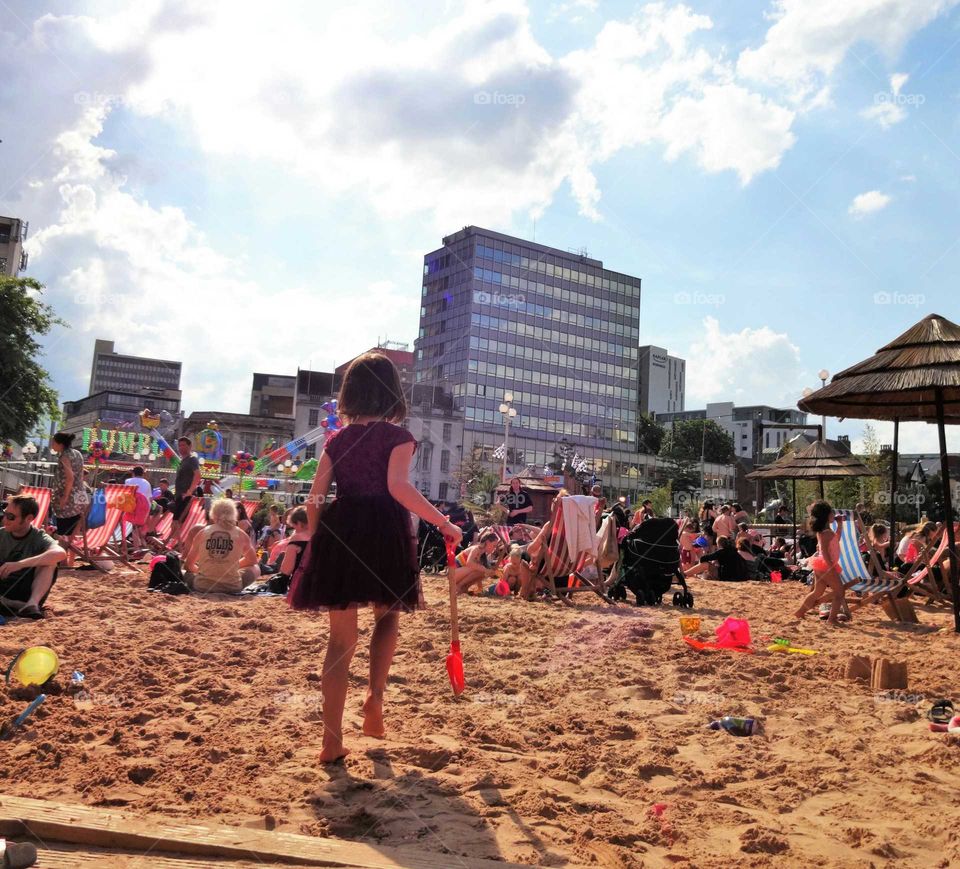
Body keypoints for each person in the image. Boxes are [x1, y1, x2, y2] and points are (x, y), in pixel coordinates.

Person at [287, 351, 461, 763]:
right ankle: (374, 700)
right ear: (392, 393)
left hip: (340, 531)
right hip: (384, 530)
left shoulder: (336, 440)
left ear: (350, 393)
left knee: (339, 641)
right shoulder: (397, 437)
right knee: (388, 616)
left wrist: (315, 532)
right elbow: (398, 487)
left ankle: (331, 741)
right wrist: (443, 522)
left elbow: (316, 495)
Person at [0, 494, 67, 619]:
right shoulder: (2, 534)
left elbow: (60, 553)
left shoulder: (38, 537)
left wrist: (19, 564)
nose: (5, 519)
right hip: (3, 587)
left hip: (25, 590)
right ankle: (11, 604)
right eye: (5, 513)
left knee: (49, 563)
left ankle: (31, 605)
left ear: (28, 518)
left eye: (11, 517)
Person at [183, 498, 260, 593]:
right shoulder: (241, 534)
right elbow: (252, 560)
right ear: (234, 514)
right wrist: (232, 566)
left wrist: (201, 570)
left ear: (213, 514)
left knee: (187, 573)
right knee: (256, 568)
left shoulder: (202, 533)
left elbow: (188, 565)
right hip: (232, 587)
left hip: (202, 587)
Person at [794, 500, 845, 625]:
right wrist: (831, 567)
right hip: (827, 565)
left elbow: (836, 538)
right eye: (832, 513)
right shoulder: (826, 534)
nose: (834, 515)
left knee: (817, 591)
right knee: (840, 592)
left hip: (820, 565)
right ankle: (832, 619)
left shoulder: (824, 532)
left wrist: (839, 525)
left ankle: (800, 612)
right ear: (827, 516)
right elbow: (825, 552)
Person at [49, 431, 88, 546]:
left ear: (60, 444)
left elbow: (70, 477)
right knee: (74, 531)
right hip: (80, 495)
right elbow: (80, 476)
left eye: (53, 442)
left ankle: (63, 561)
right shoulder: (78, 453)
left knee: (63, 533)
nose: (52, 445)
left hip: (68, 499)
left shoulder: (64, 456)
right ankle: (69, 559)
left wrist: (64, 497)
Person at [684, 535, 752, 582]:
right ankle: (690, 574)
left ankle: (685, 574)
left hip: (727, 576)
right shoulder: (734, 551)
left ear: (719, 544)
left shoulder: (721, 552)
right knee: (710, 569)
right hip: (738, 576)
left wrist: (705, 551)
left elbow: (703, 559)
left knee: (705, 564)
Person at [172, 437, 201, 534]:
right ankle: (174, 542)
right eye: (179, 445)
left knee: (177, 521)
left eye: (183, 445)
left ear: (190, 446)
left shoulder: (192, 459)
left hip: (185, 495)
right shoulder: (182, 461)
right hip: (179, 495)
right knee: (175, 520)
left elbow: (197, 475)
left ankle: (176, 543)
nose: (181, 448)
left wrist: (190, 491)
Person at [123, 465, 153, 551]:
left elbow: (125, 495)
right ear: (142, 474)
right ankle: (141, 545)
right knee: (137, 527)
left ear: (133, 473)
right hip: (143, 508)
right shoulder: (147, 483)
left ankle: (137, 548)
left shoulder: (128, 481)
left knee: (133, 527)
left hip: (130, 506)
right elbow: (150, 499)